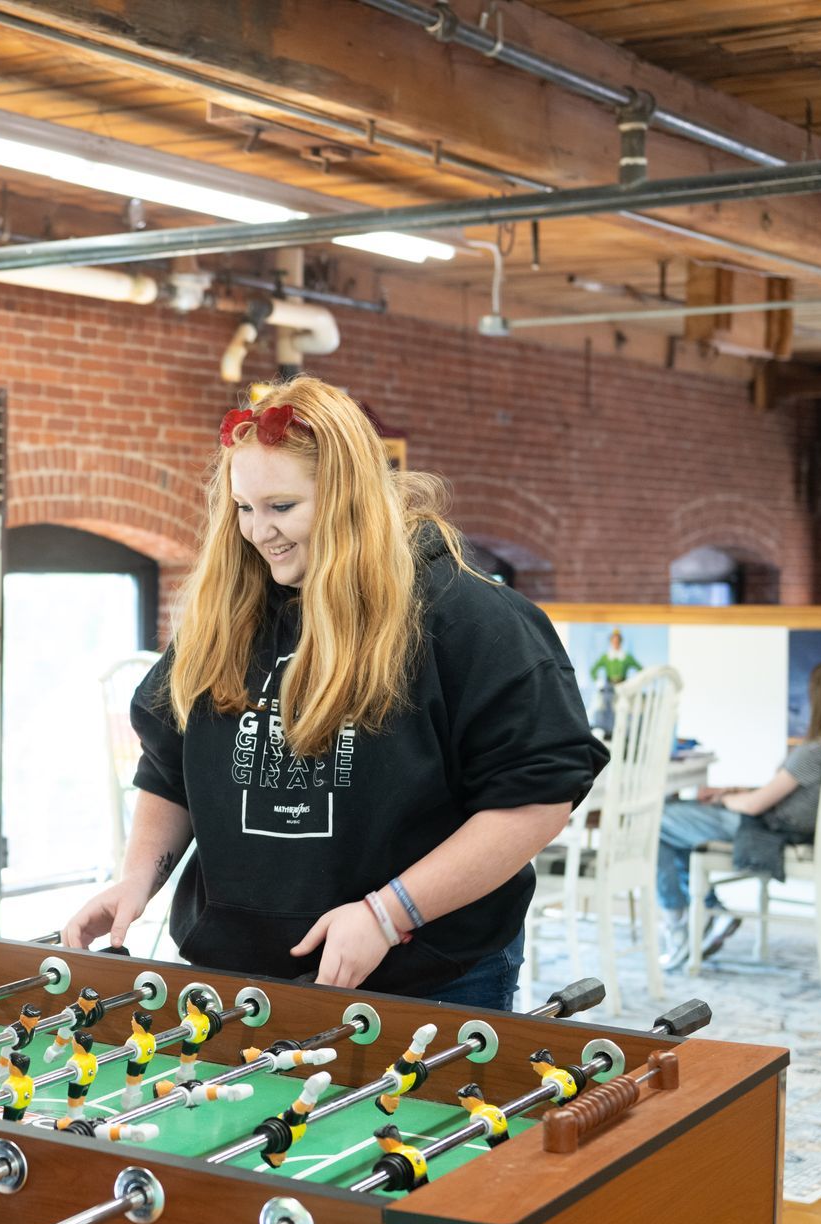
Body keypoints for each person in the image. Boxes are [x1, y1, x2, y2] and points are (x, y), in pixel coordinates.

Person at [62, 376, 607, 1010]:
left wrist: (387, 914)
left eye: (282, 507)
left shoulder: (470, 618)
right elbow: (170, 768)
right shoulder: (229, 615)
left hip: (428, 980)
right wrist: (138, 879)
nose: (258, 532)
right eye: (243, 507)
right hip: (236, 975)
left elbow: (538, 802)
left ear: (351, 498)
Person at [655, 654, 821, 967]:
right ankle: (699, 917)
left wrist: (724, 800)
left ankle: (686, 921)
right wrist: (732, 791)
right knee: (673, 824)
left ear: (820, 698)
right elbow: (782, 792)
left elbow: (756, 805)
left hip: (770, 828)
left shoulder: (815, 751)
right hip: (800, 827)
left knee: (655, 820)